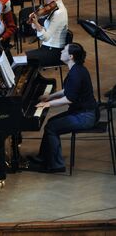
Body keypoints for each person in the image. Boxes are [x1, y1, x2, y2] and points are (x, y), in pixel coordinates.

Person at [30, 43, 98, 173]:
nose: (61, 51)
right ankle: (43, 157)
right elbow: (67, 90)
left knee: (51, 128)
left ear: (71, 56)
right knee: (51, 123)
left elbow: (69, 99)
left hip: (85, 116)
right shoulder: (77, 69)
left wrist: (48, 104)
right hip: (82, 112)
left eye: (64, 50)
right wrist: (50, 97)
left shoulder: (76, 74)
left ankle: (56, 165)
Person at [25, 0, 68, 66]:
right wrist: (35, 24)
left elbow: (46, 37)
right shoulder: (53, 9)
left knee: (21, 60)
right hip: (47, 48)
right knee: (20, 58)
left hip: (53, 52)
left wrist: (37, 24)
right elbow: (46, 30)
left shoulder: (59, 12)